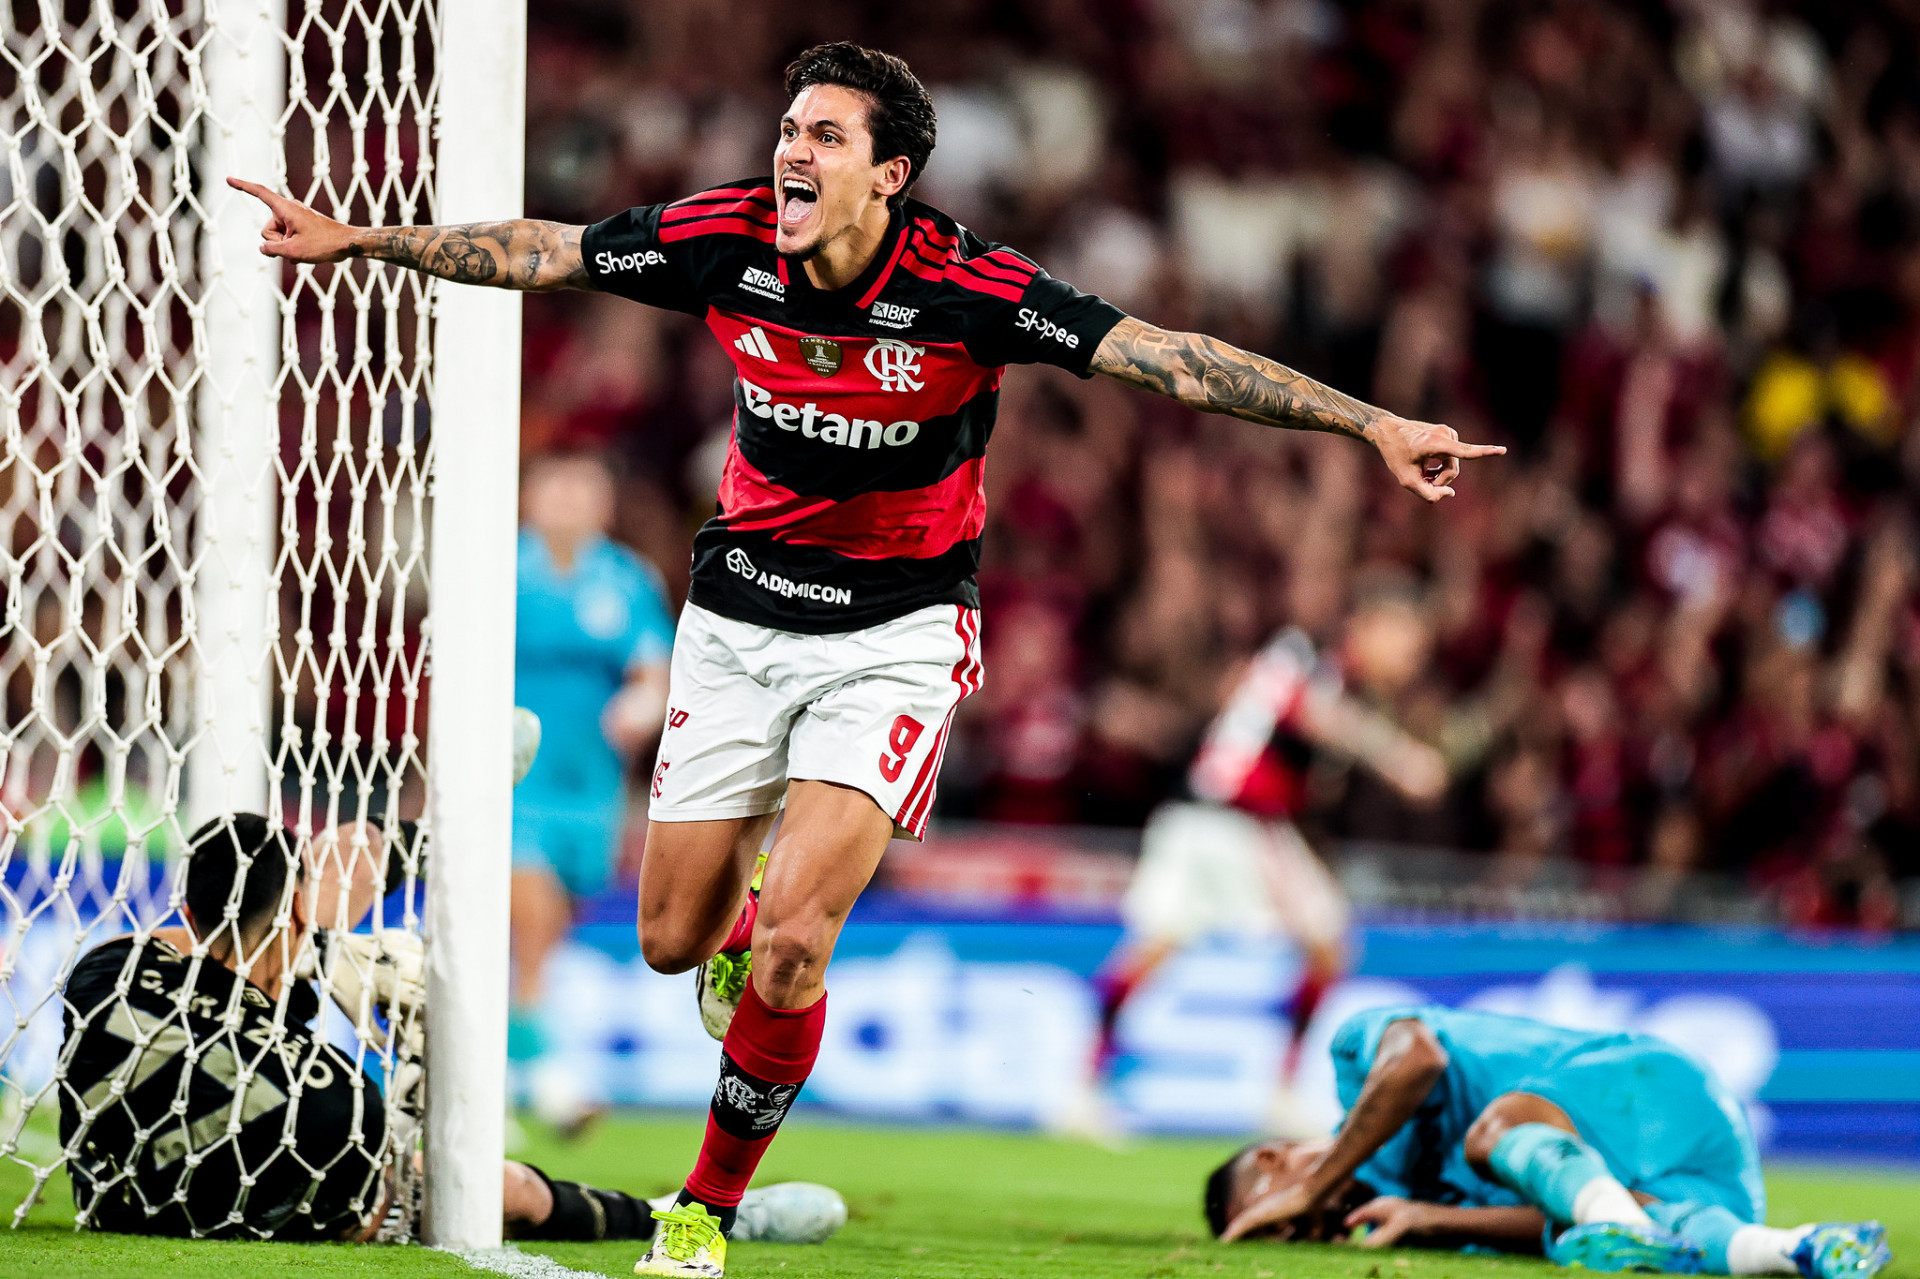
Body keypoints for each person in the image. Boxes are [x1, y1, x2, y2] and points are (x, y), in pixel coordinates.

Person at [228, 40, 1503, 1276]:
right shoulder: (721, 236)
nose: (791, 151)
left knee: (794, 946)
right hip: (735, 622)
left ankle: (704, 1212)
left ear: (890, 175)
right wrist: (360, 242)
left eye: (823, 136)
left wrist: (1373, 421)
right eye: (788, 129)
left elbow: (1170, 361)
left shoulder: (969, 286)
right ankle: (733, 939)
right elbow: (547, 252)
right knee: (676, 939)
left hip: (893, 636)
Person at [57, 813, 845, 1247]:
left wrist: (315, 949)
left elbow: (209, 959)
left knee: (333, 939)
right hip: (270, 1185)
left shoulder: (104, 972)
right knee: (510, 1191)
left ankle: (438, 829)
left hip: (117, 1195)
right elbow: (361, 1204)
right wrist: (412, 1064)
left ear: (186, 909)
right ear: (292, 912)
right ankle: (699, 1214)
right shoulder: (329, 1101)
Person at [1066, 592, 1448, 1141]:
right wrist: (1399, 758)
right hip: (1239, 824)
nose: (1411, 662)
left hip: (1198, 816)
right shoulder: (1312, 659)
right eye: (1407, 645)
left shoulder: (1307, 662)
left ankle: (1083, 1086)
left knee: (1154, 948)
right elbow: (1317, 714)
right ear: (1369, 625)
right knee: (1327, 939)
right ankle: (1282, 1093)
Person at [1202, 1004, 1891, 1279]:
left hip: (1654, 1085)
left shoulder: (1355, 1063)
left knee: (1493, 1132)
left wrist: (1315, 1183)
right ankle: (1798, 1246)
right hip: (1701, 1179)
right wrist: (1432, 1219)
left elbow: (1419, 1061)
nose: (1304, 1228)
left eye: (1277, 1213)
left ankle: (1625, 1223)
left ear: (1272, 1156)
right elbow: (1550, 1212)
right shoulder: (1404, 1204)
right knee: (1603, 1232)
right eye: (1290, 1240)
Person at [511, 447, 675, 1130]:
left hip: (592, 789)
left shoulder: (627, 579)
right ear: (530, 497)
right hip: (515, 780)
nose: (570, 503)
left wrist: (641, 707)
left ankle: (504, 1078)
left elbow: (654, 672)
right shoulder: (503, 569)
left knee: (543, 937)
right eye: (557, 489)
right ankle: (548, 1082)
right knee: (531, 926)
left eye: (584, 490)